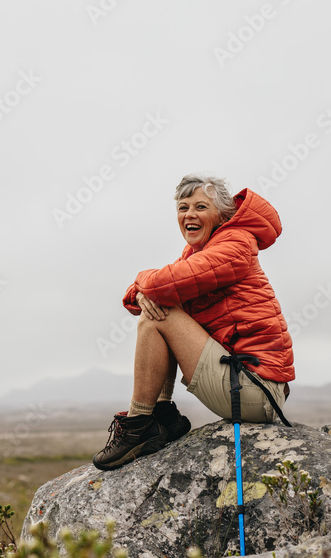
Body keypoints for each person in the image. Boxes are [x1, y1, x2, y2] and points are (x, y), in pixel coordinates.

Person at [92, 174, 295, 471]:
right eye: (183, 207)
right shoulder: (200, 251)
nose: (189, 214)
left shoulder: (235, 243)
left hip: (253, 389)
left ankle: (139, 425)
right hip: (246, 382)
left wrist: (141, 282)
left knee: (156, 315)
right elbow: (156, 288)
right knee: (159, 307)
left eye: (201, 207)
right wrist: (143, 291)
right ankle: (162, 414)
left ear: (222, 214)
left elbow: (162, 285)